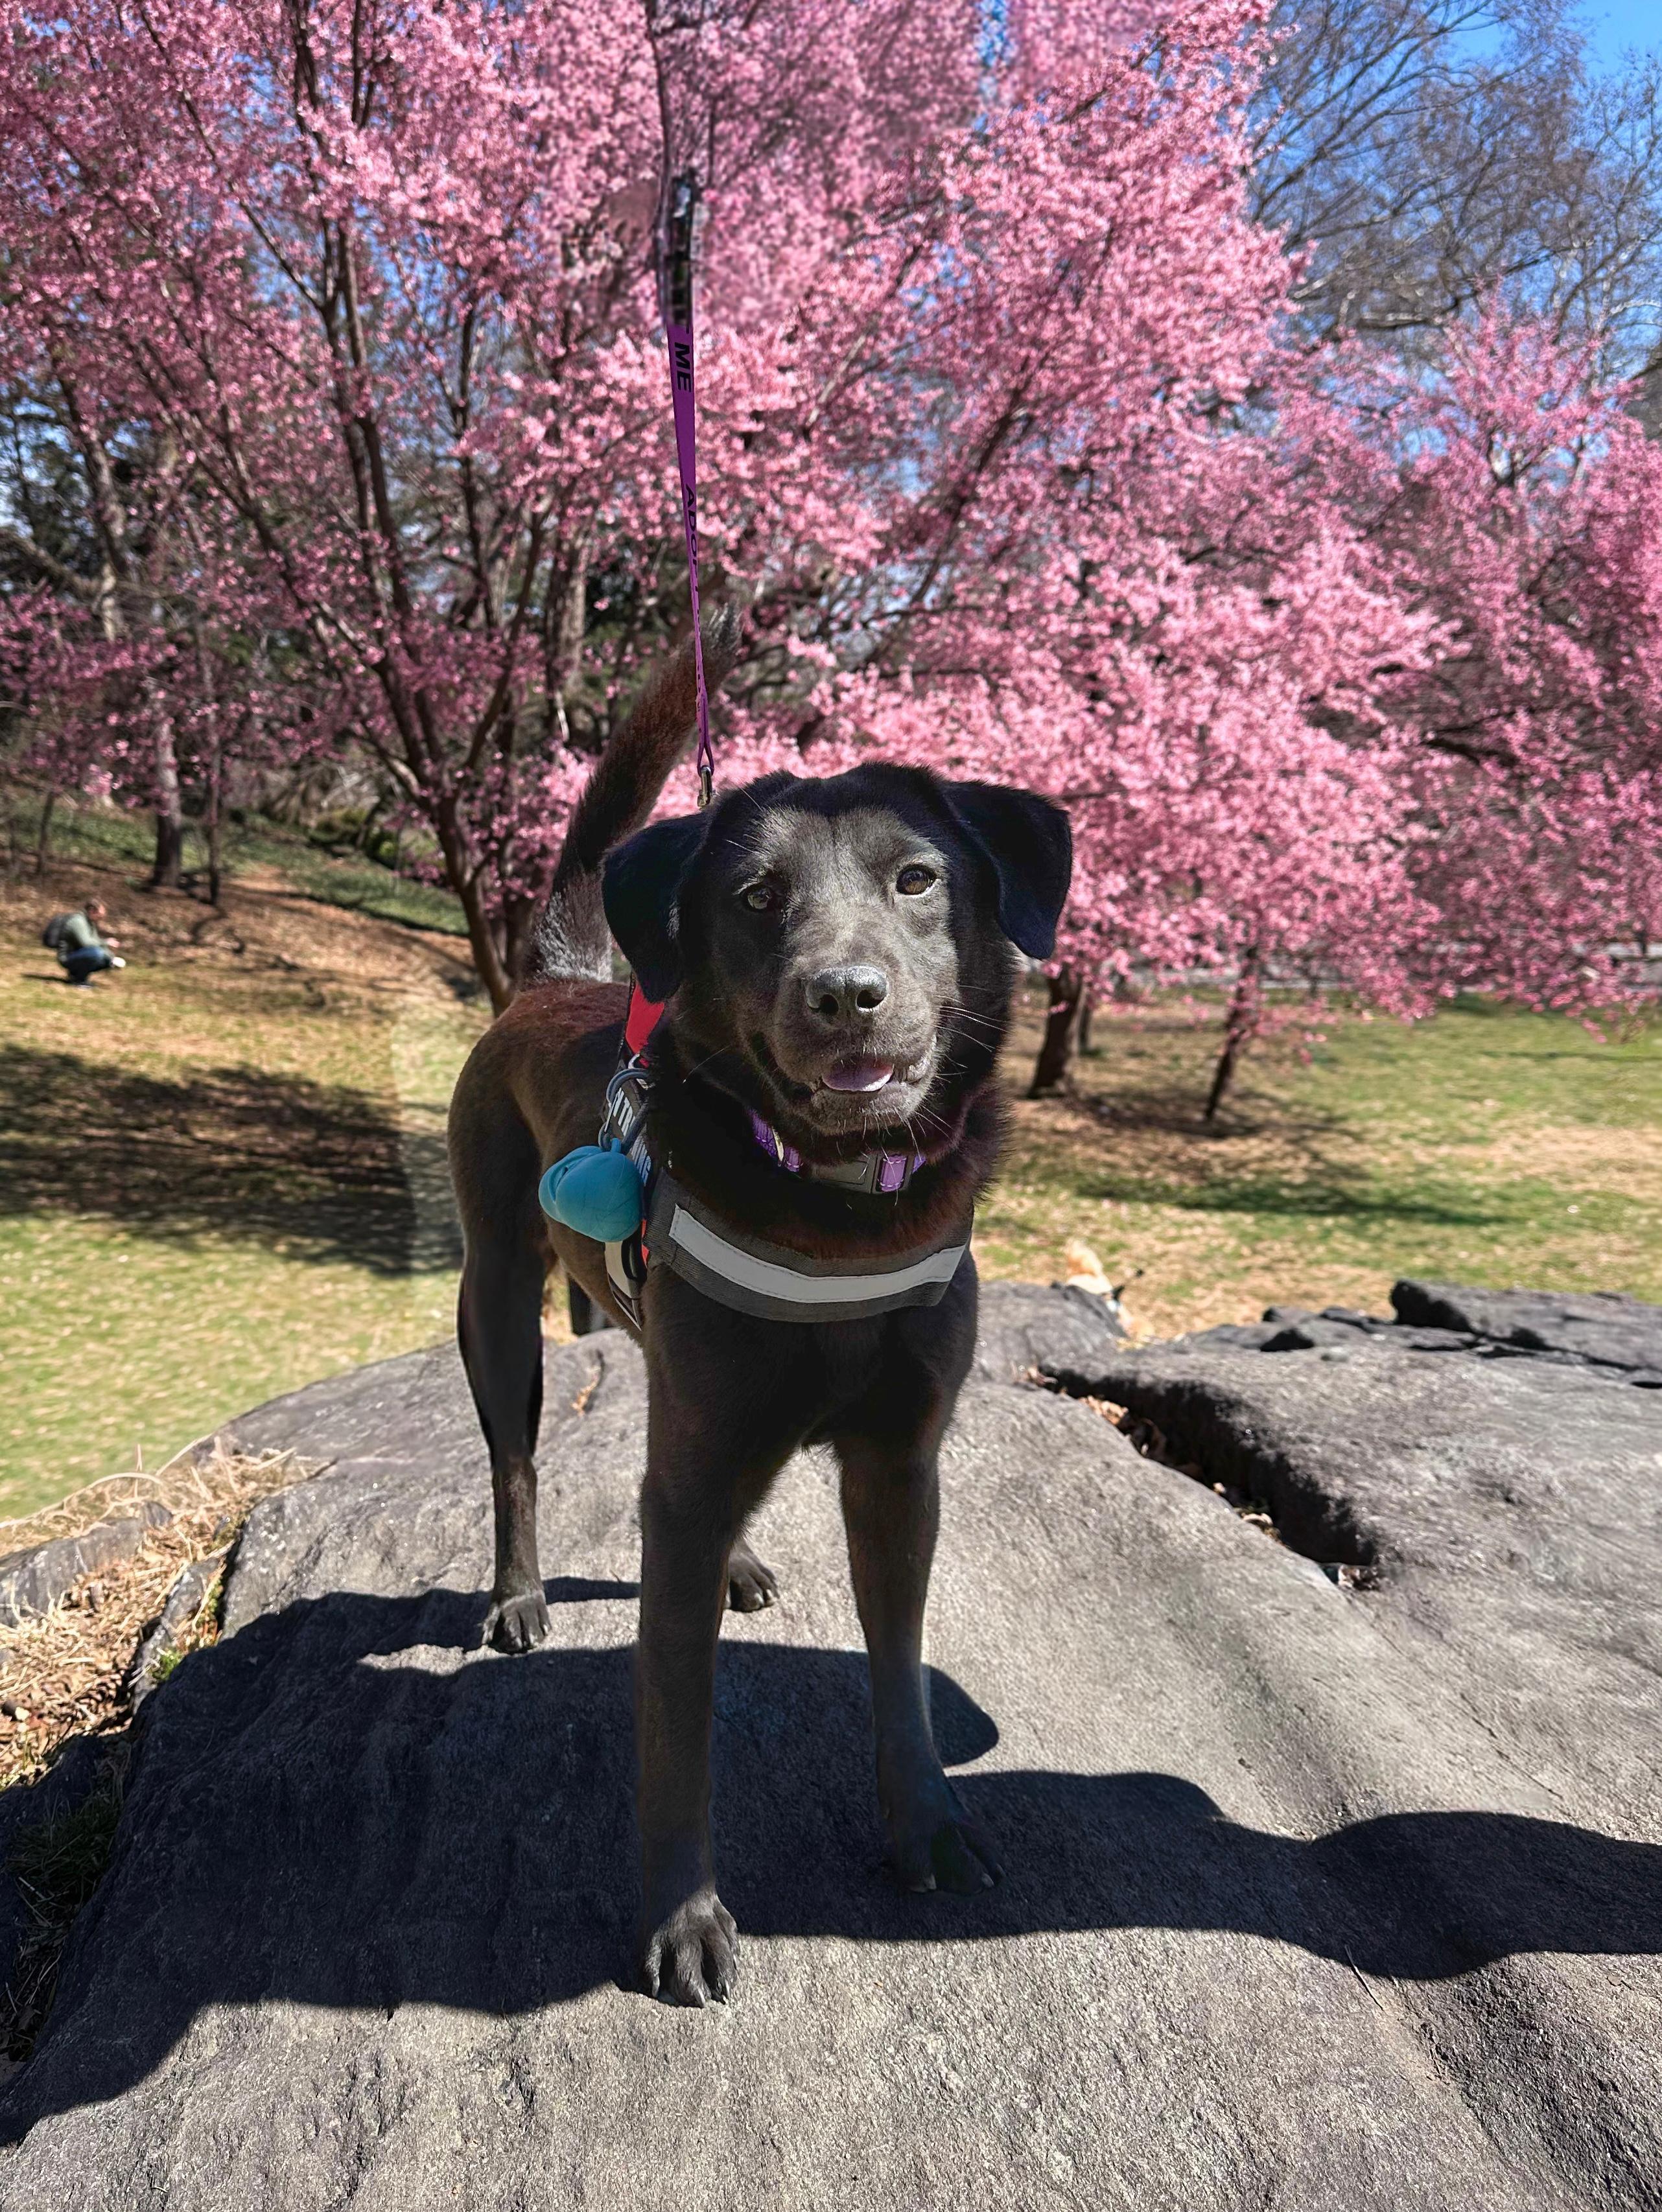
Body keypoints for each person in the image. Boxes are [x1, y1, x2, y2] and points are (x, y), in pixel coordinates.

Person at [51, 900, 126, 986]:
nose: (100, 918)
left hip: (79, 954)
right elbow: (86, 943)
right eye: (99, 915)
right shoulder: (78, 921)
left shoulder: (90, 923)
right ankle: (78, 980)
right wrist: (106, 942)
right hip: (67, 957)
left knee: (106, 960)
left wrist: (111, 959)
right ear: (92, 910)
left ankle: (75, 975)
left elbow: (96, 941)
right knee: (96, 953)